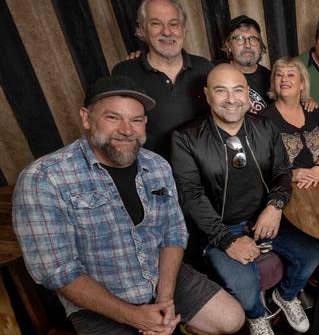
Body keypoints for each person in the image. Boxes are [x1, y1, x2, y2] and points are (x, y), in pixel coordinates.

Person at [12, 75, 244, 335]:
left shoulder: (157, 165)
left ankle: (171, 322)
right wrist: (134, 316)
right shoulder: (43, 178)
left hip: (162, 278)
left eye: (136, 120)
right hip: (100, 299)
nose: (127, 129)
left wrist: (165, 297)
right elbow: (56, 272)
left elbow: (173, 233)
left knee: (231, 319)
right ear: (86, 118)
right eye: (113, 118)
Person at [170, 64, 319, 335]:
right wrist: (227, 240)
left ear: (248, 94)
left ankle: (285, 296)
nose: (231, 99)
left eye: (238, 90)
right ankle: (256, 315)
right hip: (220, 229)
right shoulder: (185, 138)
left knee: (311, 255)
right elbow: (191, 196)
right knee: (245, 284)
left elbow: (282, 172)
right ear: (207, 95)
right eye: (221, 90)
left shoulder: (265, 126)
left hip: (265, 218)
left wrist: (275, 207)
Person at [112, 0, 213, 160]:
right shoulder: (124, 73)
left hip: (203, 168)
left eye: (174, 24)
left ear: (184, 29)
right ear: (142, 29)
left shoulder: (205, 68)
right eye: (156, 23)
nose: (166, 32)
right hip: (154, 173)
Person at [260, 57, 319, 189]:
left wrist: (318, 169)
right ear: (274, 82)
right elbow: (261, 167)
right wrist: (292, 174)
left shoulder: (312, 109)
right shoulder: (263, 120)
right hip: (286, 188)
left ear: (302, 84)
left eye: (290, 74)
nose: (284, 79)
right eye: (279, 75)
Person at [217, 15, 272, 112]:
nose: (247, 45)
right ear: (228, 45)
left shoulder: (272, 78)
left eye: (253, 39)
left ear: (260, 46)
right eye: (240, 39)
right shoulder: (215, 73)